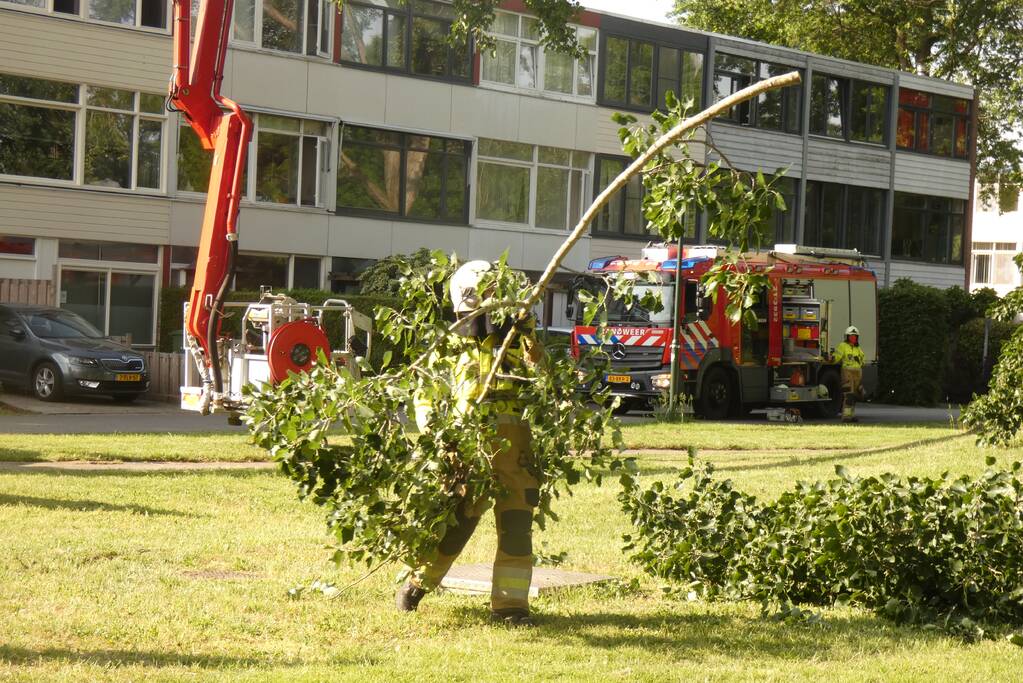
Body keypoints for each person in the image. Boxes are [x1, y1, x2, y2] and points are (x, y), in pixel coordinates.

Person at [395, 260, 543, 625]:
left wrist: (529, 338)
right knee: (455, 523)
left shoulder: (518, 341)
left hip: (515, 452)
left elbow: (546, 377)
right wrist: (438, 433)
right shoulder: (446, 348)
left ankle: (510, 607)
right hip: (466, 446)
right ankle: (418, 583)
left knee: (516, 528)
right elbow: (425, 394)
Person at [833, 325, 866, 423]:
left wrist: (859, 359)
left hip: (857, 374)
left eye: (855, 337)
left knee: (855, 396)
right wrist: (830, 359)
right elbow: (836, 358)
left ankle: (851, 416)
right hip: (847, 373)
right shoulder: (843, 346)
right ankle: (846, 416)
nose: (853, 338)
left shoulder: (858, 348)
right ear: (847, 337)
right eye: (851, 336)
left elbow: (863, 361)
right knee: (849, 396)